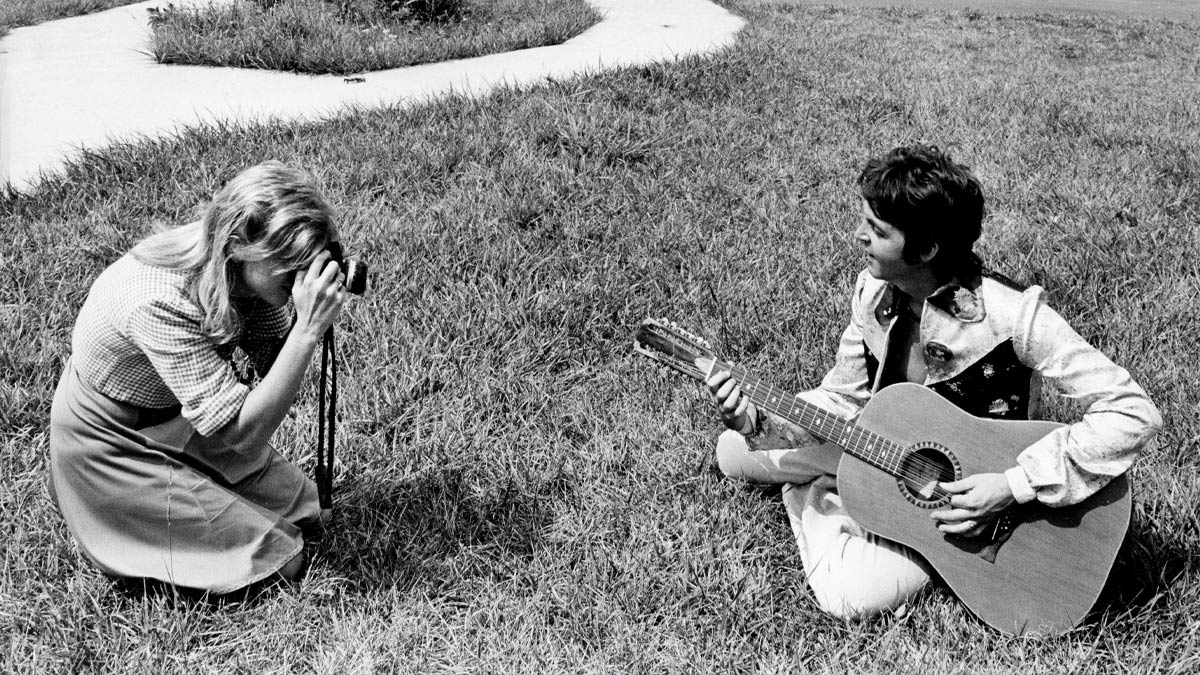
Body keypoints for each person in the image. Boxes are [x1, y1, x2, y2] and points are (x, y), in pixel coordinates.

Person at [706, 144, 1162, 620]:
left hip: (965, 506)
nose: (858, 237)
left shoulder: (1015, 318)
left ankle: (835, 494)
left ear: (925, 249)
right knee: (733, 450)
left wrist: (1013, 485)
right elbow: (842, 398)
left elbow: (1133, 411)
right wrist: (754, 418)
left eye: (878, 230)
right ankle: (846, 488)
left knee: (850, 598)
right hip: (881, 447)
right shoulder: (873, 292)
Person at [48, 161, 349, 596]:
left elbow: (269, 362)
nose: (301, 278)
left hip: (177, 418)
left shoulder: (241, 268)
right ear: (241, 244)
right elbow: (241, 435)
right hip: (109, 441)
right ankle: (107, 513)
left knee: (307, 512)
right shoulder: (159, 299)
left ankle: (193, 488)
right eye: (291, 265)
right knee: (282, 558)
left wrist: (298, 319)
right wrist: (306, 331)